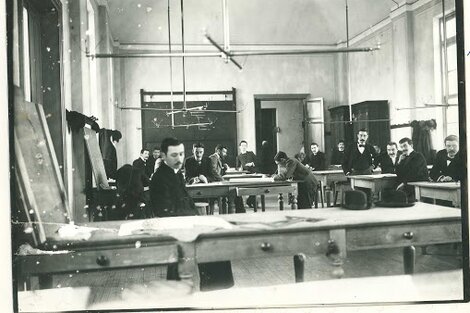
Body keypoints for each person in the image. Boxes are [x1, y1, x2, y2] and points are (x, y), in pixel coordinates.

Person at [150, 137, 233, 290]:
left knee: (216, 237)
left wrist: (198, 220)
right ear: (163, 156)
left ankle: (212, 289)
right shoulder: (160, 178)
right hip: (175, 228)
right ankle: (215, 290)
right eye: (174, 155)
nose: (179, 159)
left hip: (184, 223)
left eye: (181, 154)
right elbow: (165, 212)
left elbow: (187, 202)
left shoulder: (175, 174)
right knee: (215, 244)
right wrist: (193, 223)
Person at [395, 137, 429, 201]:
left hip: (418, 184)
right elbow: (398, 174)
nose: (403, 149)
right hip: (408, 184)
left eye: (405, 146)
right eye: (401, 147)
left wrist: (403, 183)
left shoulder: (418, 156)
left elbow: (414, 173)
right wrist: (399, 162)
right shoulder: (403, 158)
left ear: (411, 145)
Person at [236, 140, 257, 208]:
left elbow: (258, 161)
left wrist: (252, 163)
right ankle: (245, 202)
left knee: (254, 188)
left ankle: (251, 201)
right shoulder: (238, 157)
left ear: (247, 146)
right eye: (242, 146)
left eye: (245, 145)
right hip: (244, 174)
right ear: (240, 147)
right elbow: (237, 166)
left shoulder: (251, 153)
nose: (244, 147)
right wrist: (239, 169)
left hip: (253, 173)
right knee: (245, 188)